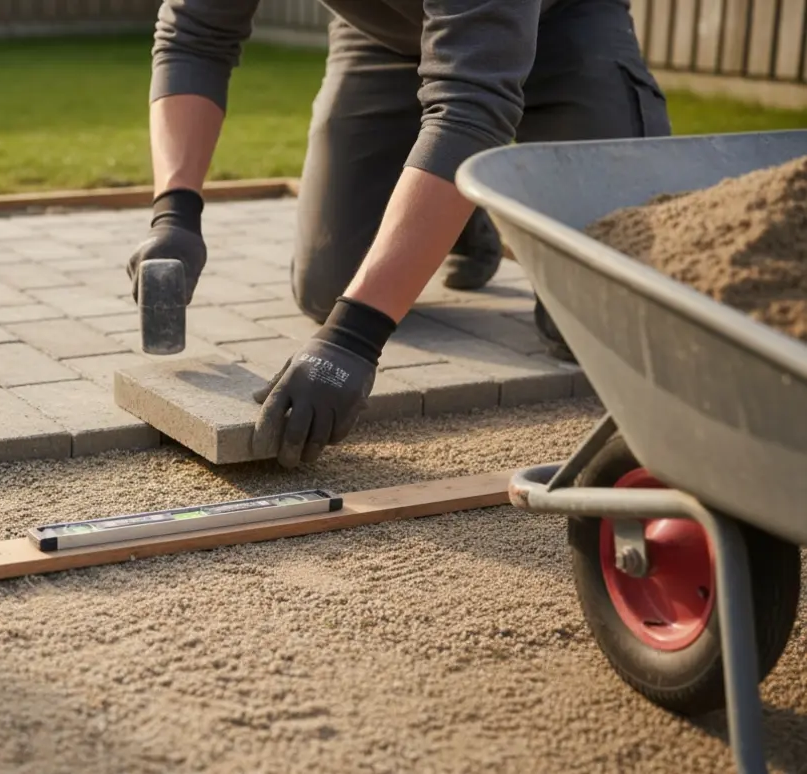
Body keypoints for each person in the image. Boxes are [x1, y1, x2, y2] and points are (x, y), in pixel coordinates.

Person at [126, 0, 671, 468]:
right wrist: (174, 214)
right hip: (383, 38)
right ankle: (457, 212)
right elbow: (193, 37)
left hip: (565, 34)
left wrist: (355, 338)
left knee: (596, 326)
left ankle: (452, 194)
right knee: (329, 287)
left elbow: (471, 107)